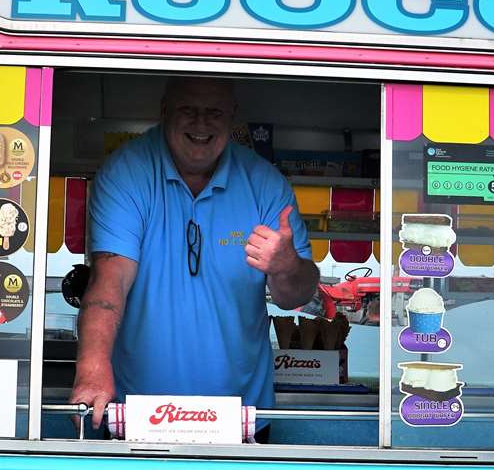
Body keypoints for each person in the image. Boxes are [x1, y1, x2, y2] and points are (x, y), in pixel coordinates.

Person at [72, 77, 318, 426]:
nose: (201, 123)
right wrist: (92, 369)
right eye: (188, 109)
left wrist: (286, 265)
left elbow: (297, 295)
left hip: (242, 414)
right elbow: (110, 280)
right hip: (140, 413)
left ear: (232, 116)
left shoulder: (264, 184)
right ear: (164, 111)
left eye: (214, 112)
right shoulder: (127, 172)